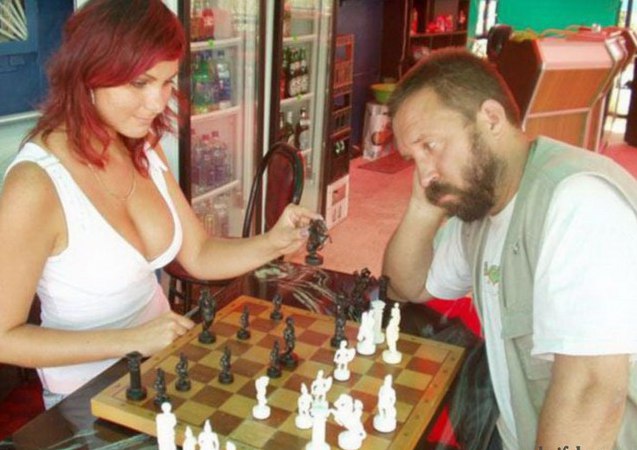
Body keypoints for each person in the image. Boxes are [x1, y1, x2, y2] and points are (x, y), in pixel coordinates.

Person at [0, 0, 319, 409]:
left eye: (167, 81)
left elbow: (199, 253)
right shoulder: (36, 185)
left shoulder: (142, 147)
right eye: (139, 83)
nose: (156, 103)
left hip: (165, 366)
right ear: (87, 73)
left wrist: (273, 241)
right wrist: (132, 339)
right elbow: (5, 338)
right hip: (85, 399)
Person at [382, 48, 637, 449]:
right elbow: (405, 285)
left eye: (430, 145)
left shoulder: (579, 201)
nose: (426, 173)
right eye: (413, 158)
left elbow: (590, 393)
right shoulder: (483, 205)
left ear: (491, 118)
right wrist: (422, 206)